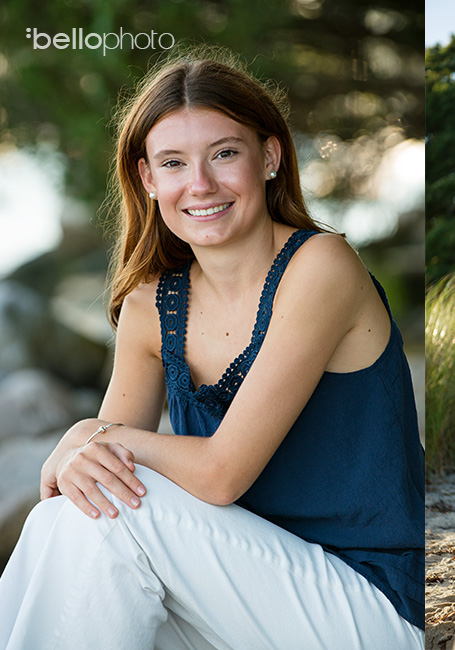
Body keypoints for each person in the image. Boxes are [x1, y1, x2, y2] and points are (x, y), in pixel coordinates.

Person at [0, 50, 424, 649]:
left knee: (117, 514)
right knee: (72, 512)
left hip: (370, 605)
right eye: (173, 163)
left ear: (269, 157)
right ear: (148, 180)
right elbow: (102, 473)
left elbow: (221, 475)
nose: (200, 185)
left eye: (224, 153)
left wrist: (87, 435)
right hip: (234, 598)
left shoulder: (320, 267)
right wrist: (85, 446)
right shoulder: (152, 306)